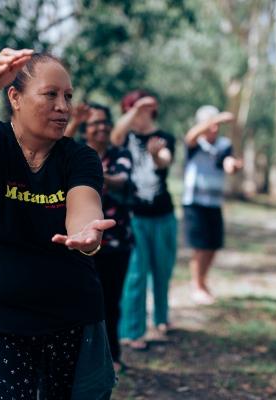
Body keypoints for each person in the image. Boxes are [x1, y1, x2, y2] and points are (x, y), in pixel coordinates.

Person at [0, 48, 117, 400]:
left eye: (67, 96)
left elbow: (83, 205)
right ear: (15, 97)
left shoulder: (79, 156)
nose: (63, 106)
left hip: (70, 314)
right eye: (50, 94)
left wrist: (86, 235)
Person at [65, 102, 133, 372]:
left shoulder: (120, 153)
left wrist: (91, 172)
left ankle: (112, 356)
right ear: (85, 128)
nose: (101, 127)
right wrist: (73, 123)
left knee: (110, 302)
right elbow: (54, 152)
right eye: (94, 123)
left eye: (105, 121)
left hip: (116, 242)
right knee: (79, 302)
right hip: (78, 241)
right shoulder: (74, 150)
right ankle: (80, 358)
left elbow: (122, 180)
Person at [111, 90, 178, 350]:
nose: (136, 115)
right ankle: (132, 331)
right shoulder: (125, 136)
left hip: (163, 216)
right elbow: (116, 135)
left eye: (142, 110)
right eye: (130, 111)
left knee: (163, 270)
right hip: (135, 217)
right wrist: (134, 109)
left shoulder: (165, 137)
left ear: (153, 110)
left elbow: (164, 162)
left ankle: (162, 318)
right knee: (136, 274)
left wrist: (155, 155)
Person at [182, 105, 243, 305]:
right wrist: (217, 118)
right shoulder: (195, 143)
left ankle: (203, 281)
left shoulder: (224, 144)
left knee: (212, 246)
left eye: (217, 125)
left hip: (214, 202)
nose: (215, 129)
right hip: (194, 202)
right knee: (199, 247)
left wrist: (233, 166)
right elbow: (190, 136)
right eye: (211, 124)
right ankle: (197, 285)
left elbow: (227, 163)